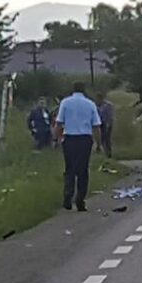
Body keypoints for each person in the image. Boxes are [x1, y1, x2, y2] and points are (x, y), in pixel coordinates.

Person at [56, 82, 101, 211]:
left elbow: (59, 123)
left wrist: (57, 138)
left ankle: (68, 195)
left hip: (70, 138)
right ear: (84, 90)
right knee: (83, 170)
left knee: (69, 168)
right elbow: (96, 126)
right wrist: (98, 143)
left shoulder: (65, 103)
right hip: (84, 139)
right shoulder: (90, 104)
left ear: (73, 89)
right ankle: (80, 200)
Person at [97, 93, 115, 158]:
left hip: (107, 124)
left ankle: (109, 153)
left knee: (107, 139)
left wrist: (108, 123)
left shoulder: (108, 105)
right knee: (102, 139)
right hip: (101, 124)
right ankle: (104, 153)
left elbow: (110, 115)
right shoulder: (98, 106)